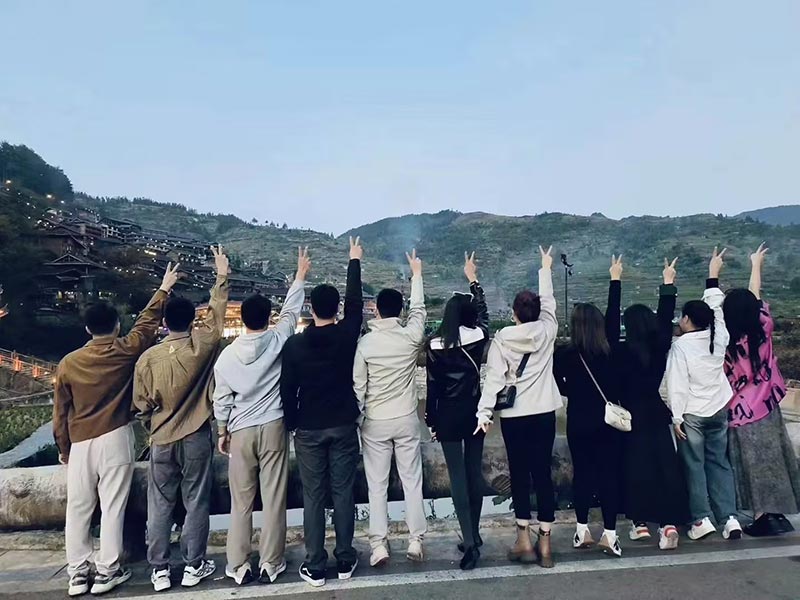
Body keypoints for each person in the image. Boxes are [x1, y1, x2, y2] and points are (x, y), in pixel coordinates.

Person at [53, 262, 180, 597]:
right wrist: (164, 288)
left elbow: (60, 412)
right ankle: (107, 570)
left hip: (80, 441)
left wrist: (64, 449)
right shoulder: (125, 350)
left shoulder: (68, 363)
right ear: (116, 325)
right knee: (112, 507)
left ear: (87, 329)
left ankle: (77, 573)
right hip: (115, 435)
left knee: (78, 508)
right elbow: (147, 323)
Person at [133, 245, 229, 592]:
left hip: (161, 438)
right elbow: (217, 316)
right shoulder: (201, 346)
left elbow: (141, 406)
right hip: (196, 435)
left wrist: (154, 425)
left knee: (159, 503)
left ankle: (159, 569)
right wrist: (221, 275)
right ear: (192, 321)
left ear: (164, 323)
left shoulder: (148, 358)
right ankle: (193, 564)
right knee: (195, 500)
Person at [213, 247, 309, 585]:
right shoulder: (279, 340)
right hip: (273, 426)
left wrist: (222, 431)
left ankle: (238, 564)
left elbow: (221, 399)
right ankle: (271, 561)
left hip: (241, 430)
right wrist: (300, 276)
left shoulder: (227, 357)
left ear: (242, 320)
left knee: (241, 501)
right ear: (269, 317)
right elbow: (291, 311)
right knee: (273, 497)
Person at [281, 237, 364, 588]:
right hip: (343, 424)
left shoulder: (295, 345)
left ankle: (315, 564)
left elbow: (287, 390)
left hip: (309, 428)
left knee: (313, 497)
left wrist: (292, 424)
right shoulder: (346, 335)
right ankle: (345, 558)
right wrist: (354, 261)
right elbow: (356, 305)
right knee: (343, 492)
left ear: (310, 309)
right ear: (337, 309)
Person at [477, 245, 560, 569]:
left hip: (514, 417)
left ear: (513, 312)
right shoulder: (548, 330)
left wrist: (484, 413)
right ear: (537, 312)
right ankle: (546, 543)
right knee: (543, 475)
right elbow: (549, 304)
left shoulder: (502, 340)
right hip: (544, 413)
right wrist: (545, 268)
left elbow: (494, 380)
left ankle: (523, 540)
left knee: (519, 475)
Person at [604, 255, 689, 551]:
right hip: (656, 412)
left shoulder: (620, 351)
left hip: (630, 416)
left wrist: (615, 280)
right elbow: (665, 319)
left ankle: (639, 524)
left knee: (634, 468)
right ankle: (668, 525)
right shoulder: (659, 348)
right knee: (664, 468)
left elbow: (610, 324)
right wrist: (668, 284)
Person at [353, 249, 427, 568]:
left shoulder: (365, 344)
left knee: (377, 486)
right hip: (406, 418)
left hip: (376, 422)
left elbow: (358, 388)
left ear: (376, 311)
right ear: (400, 311)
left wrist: (359, 419)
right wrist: (417, 275)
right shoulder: (410, 338)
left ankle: (378, 545)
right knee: (412, 481)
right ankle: (415, 539)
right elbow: (420, 312)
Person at [721, 244, 800, 536]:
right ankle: (776, 513)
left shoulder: (727, 343)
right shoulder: (763, 330)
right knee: (774, 459)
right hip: (768, 406)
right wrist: (756, 265)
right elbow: (755, 298)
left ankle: (763, 516)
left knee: (750, 466)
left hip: (741, 414)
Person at [666, 247, 742, 541]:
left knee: (694, 466)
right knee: (719, 463)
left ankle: (702, 519)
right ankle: (730, 518)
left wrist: (676, 417)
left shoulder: (681, 346)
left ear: (687, 319)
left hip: (693, 414)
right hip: (719, 409)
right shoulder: (719, 336)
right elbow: (717, 309)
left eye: (682, 318)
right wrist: (713, 275)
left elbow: (677, 384)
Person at [425, 252, 490, 571]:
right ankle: (474, 535)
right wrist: (473, 279)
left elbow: (432, 388)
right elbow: (484, 314)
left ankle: (469, 540)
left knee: (457, 477)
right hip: (475, 411)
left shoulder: (434, 345)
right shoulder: (478, 337)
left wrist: (431, 420)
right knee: (474, 473)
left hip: (448, 415)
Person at [553, 301, 623, 557]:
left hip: (579, 420)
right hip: (607, 421)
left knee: (582, 474)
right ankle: (610, 534)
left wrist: (575, 390)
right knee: (608, 475)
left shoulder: (565, 354)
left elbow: (558, 384)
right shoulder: (612, 351)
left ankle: (582, 529)